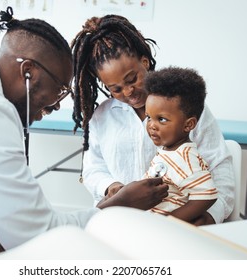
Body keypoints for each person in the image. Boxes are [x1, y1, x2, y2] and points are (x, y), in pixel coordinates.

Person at [0, 7, 167, 259]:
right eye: (61, 88)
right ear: (28, 72)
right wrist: (120, 205)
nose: (56, 105)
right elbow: (39, 235)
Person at [71, 14, 234, 225]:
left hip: (176, 223)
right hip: (120, 220)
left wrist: (211, 216)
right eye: (116, 89)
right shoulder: (102, 117)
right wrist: (114, 188)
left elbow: (220, 167)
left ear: (144, 62)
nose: (129, 92)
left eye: (132, 79)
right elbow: (93, 168)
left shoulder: (184, 106)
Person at [143, 67, 217, 223]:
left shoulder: (186, 158)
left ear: (188, 125)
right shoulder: (168, 149)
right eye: (149, 117)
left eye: (162, 119)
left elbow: (207, 196)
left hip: (164, 231)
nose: (152, 125)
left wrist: (171, 221)